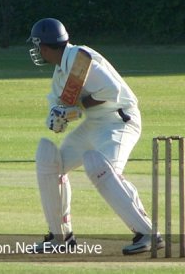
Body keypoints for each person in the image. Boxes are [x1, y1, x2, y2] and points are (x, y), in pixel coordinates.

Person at [27, 17, 164, 255]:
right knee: (50, 161)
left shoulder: (81, 59)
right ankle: (61, 238)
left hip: (118, 121)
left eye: (37, 46)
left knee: (100, 167)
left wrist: (77, 107)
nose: (37, 52)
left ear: (45, 47)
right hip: (94, 125)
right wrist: (57, 119)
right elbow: (60, 107)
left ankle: (148, 233)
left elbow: (112, 90)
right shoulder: (61, 73)